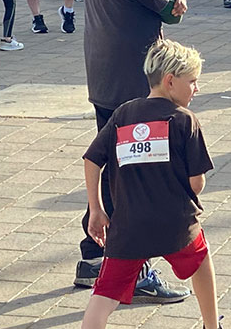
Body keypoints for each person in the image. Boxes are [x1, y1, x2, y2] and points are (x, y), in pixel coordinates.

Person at [74, 0, 189, 301]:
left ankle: (92, 254)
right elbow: (172, 12)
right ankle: (135, 268)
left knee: (114, 167)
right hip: (134, 83)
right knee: (134, 177)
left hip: (104, 77)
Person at [80, 39, 217, 329]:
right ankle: (211, 324)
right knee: (201, 261)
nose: (196, 88)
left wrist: (96, 208)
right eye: (192, 81)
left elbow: (92, 160)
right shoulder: (185, 121)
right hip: (176, 223)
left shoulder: (123, 114)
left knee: (103, 295)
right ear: (170, 81)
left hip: (129, 226)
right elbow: (197, 183)